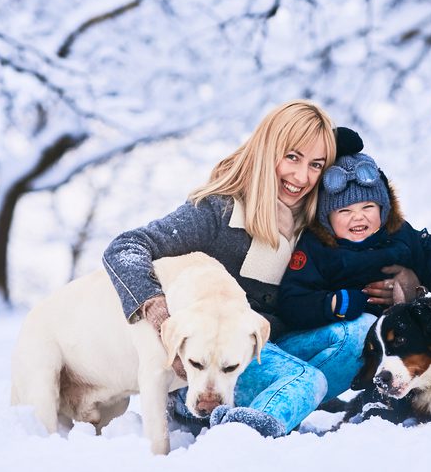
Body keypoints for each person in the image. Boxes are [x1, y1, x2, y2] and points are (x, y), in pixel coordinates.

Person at [102, 100, 374, 438]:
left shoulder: (315, 225)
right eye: (292, 157)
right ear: (267, 150)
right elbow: (126, 248)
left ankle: (284, 400)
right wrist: (158, 312)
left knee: (362, 333)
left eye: (316, 165)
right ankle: (232, 430)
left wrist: (405, 282)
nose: (301, 176)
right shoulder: (215, 212)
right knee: (310, 379)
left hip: (268, 350)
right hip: (213, 367)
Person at [278, 149, 431, 330]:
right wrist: (332, 304)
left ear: (383, 209)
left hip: (399, 328)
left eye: (368, 207)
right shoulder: (317, 248)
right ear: (326, 220)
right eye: (344, 210)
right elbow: (292, 300)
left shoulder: (399, 235)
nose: (358, 216)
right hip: (344, 328)